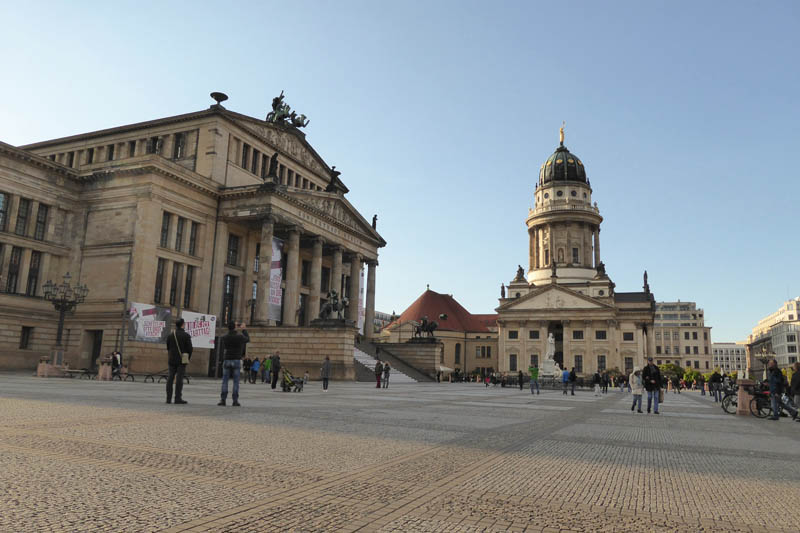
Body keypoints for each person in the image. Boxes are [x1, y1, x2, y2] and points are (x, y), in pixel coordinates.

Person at [218, 322, 249, 407]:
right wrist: (244, 330)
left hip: (227, 359)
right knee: (236, 382)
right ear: (235, 327)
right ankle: (235, 401)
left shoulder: (225, 337)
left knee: (225, 381)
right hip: (236, 359)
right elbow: (247, 339)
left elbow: (223, 339)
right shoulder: (239, 336)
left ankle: (223, 400)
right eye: (236, 325)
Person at [165, 318, 193, 405]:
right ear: (182, 325)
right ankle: (178, 398)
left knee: (170, 378)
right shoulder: (186, 336)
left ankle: (168, 398)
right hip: (182, 360)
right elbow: (190, 349)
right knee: (179, 379)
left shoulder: (170, 335)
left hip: (172, 359)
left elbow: (168, 347)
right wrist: (187, 357)